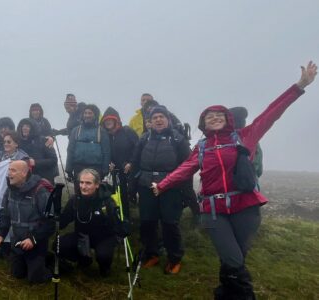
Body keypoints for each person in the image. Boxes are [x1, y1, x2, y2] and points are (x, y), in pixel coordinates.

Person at [153, 61, 316, 299]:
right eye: (210, 116)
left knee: (234, 257)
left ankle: (225, 292)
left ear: (228, 119)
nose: (215, 118)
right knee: (233, 258)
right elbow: (184, 169)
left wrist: (300, 86)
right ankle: (245, 295)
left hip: (245, 207)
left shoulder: (244, 136)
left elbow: (271, 114)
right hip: (212, 210)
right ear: (203, 123)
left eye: (219, 115)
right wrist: (162, 185)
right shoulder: (201, 147)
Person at [127, 105, 190, 275]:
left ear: (168, 119)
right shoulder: (144, 138)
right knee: (147, 222)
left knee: (170, 223)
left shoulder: (178, 140)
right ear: (150, 122)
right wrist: (132, 188)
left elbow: (187, 167)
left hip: (171, 187)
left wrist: (186, 193)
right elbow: (135, 163)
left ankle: (174, 258)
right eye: (155, 118)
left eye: (161, 117)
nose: (158, 120)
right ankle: (151, 254)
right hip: (146, 186)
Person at [0, 160, 54, 284]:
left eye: (13, 170)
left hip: (35, 243)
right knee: (17, 274)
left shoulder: (40, 191)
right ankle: (35, 262)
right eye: (9, 169)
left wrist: (33, 239)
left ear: (25, 173)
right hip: (17, 243)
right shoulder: (9, 190)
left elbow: (50, 222)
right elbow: (5, 214)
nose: (9, 173)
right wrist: (0, 234)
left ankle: (50, 260)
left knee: (35, 279)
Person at [58, 169, 126, 277]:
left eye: (88, 183)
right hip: (82, 236)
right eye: (81, 182)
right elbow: (62, 222)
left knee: (103, 255)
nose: (83, 186)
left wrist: (121, 233)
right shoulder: (75, 200)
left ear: (97, 185)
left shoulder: (107, 201)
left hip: (103, 237)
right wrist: (55, 215)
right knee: (58, 244)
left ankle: (105, 268)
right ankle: (84, 260)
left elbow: (117, 226)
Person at [100, 107, 138, 219]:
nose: (108, 122)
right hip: (116, 172)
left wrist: (131, 162)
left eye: (111, 119)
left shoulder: (127, 131)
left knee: (130, 194)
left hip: (131, 170)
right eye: (106, 120)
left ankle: (130, 218)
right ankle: (121, 219)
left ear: (116, 120)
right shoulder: (106, 136)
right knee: (119, 196)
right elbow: (106, 152)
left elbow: (138, 148)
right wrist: (109, 162)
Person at [66, 104, 111, 194]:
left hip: (96, 168)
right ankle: (79, 209)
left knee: (95, 195)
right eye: (85, 113)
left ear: (95, 115)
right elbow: (70, 150)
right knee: (79, 194)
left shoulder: (102, 131)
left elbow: (106, 152)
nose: (87, 115)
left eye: (90, 113)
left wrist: (105, 170)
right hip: (78, 167)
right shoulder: (76, 130)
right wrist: (69, 169)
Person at [17, 118, 58, 182]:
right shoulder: (19, 144)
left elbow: (53, 160)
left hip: (44, 180)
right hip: (26, 181)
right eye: (23, 126)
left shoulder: (44, 141)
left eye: (27, 126)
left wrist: (35, 162)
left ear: (33, 128)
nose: (24, 128)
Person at [229, 107, 264, 178]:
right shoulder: (252, 140)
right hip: (249, 183)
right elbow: (259, 170)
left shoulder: (218, 139)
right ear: (243, 123)